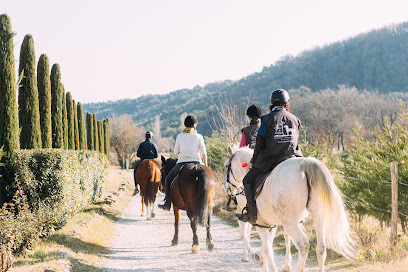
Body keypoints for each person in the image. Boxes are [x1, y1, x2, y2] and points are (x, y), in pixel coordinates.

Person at [236, 89, 303, 224]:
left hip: (272, 160)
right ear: (287, 102)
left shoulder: (266, 119)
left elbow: (259, 143)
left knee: (247, 180)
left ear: (272, 103)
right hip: (294, 158)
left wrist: (253, 161)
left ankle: (251, 213)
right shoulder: (296, 119)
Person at [158, 115, 207, 211]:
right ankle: (210, 201)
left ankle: (167, 203)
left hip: (181, 163)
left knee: (168, 180)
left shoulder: (180, 136)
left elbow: (176, 152)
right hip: (197, 162)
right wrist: (205, 166)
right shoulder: (199, 136)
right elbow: (204, 153)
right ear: (195, 125)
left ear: (185, 125)